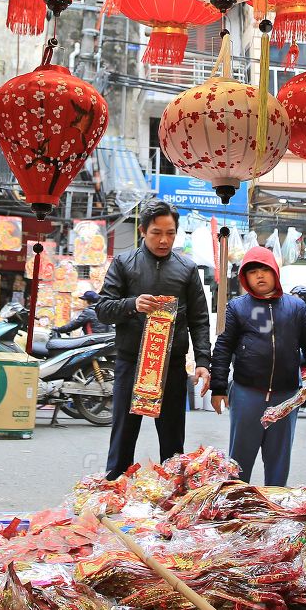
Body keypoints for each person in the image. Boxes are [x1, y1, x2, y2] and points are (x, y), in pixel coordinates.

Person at [94, 202, 213, 480]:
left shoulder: (187, 268)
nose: (164, 240)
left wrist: (203, 361)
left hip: (171, 366)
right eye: (156, 233)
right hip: (131, 363)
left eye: (170, 233)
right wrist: (132, 304)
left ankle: (173, 495)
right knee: (124, 434)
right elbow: (102, 309)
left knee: (172, 440)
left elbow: (199, 319)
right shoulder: (124, 264)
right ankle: (115, 491)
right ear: (142, 231)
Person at [209, 247, 306, 485]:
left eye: (265, 269)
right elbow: (223, 348)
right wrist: (219, 387)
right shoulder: (238, 307)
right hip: (247, 394)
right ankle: (236, 507)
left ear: (275, 271)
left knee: (278, 460)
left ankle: (273, 513)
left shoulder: (296, 308)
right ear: (245, 277)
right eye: (252, 271)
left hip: (286, 395)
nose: (260, 276)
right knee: (239, 461)